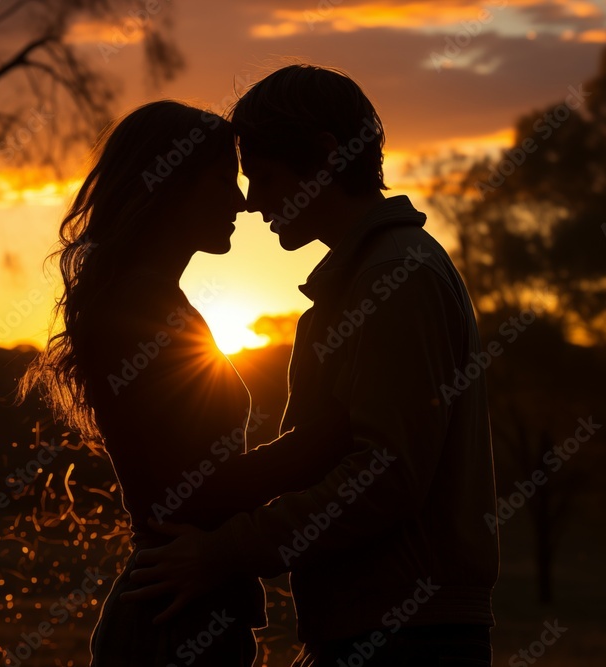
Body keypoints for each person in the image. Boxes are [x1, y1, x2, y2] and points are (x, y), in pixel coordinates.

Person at [123, 65, 500, 667]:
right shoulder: (361, 282)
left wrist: (224, 553)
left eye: (265, 177)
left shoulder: (394, 279)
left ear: (326, 156)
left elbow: (386, 476)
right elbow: (328, 453)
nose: (250, 201)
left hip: (408, 634)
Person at [20, 100, 353, 666]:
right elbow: (197, 486)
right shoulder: (139, 308)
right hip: (172, 616)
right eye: (224, 180)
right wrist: (326, 439)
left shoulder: (152, 302)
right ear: (169, 186)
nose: (243, 201)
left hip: (181, 605)